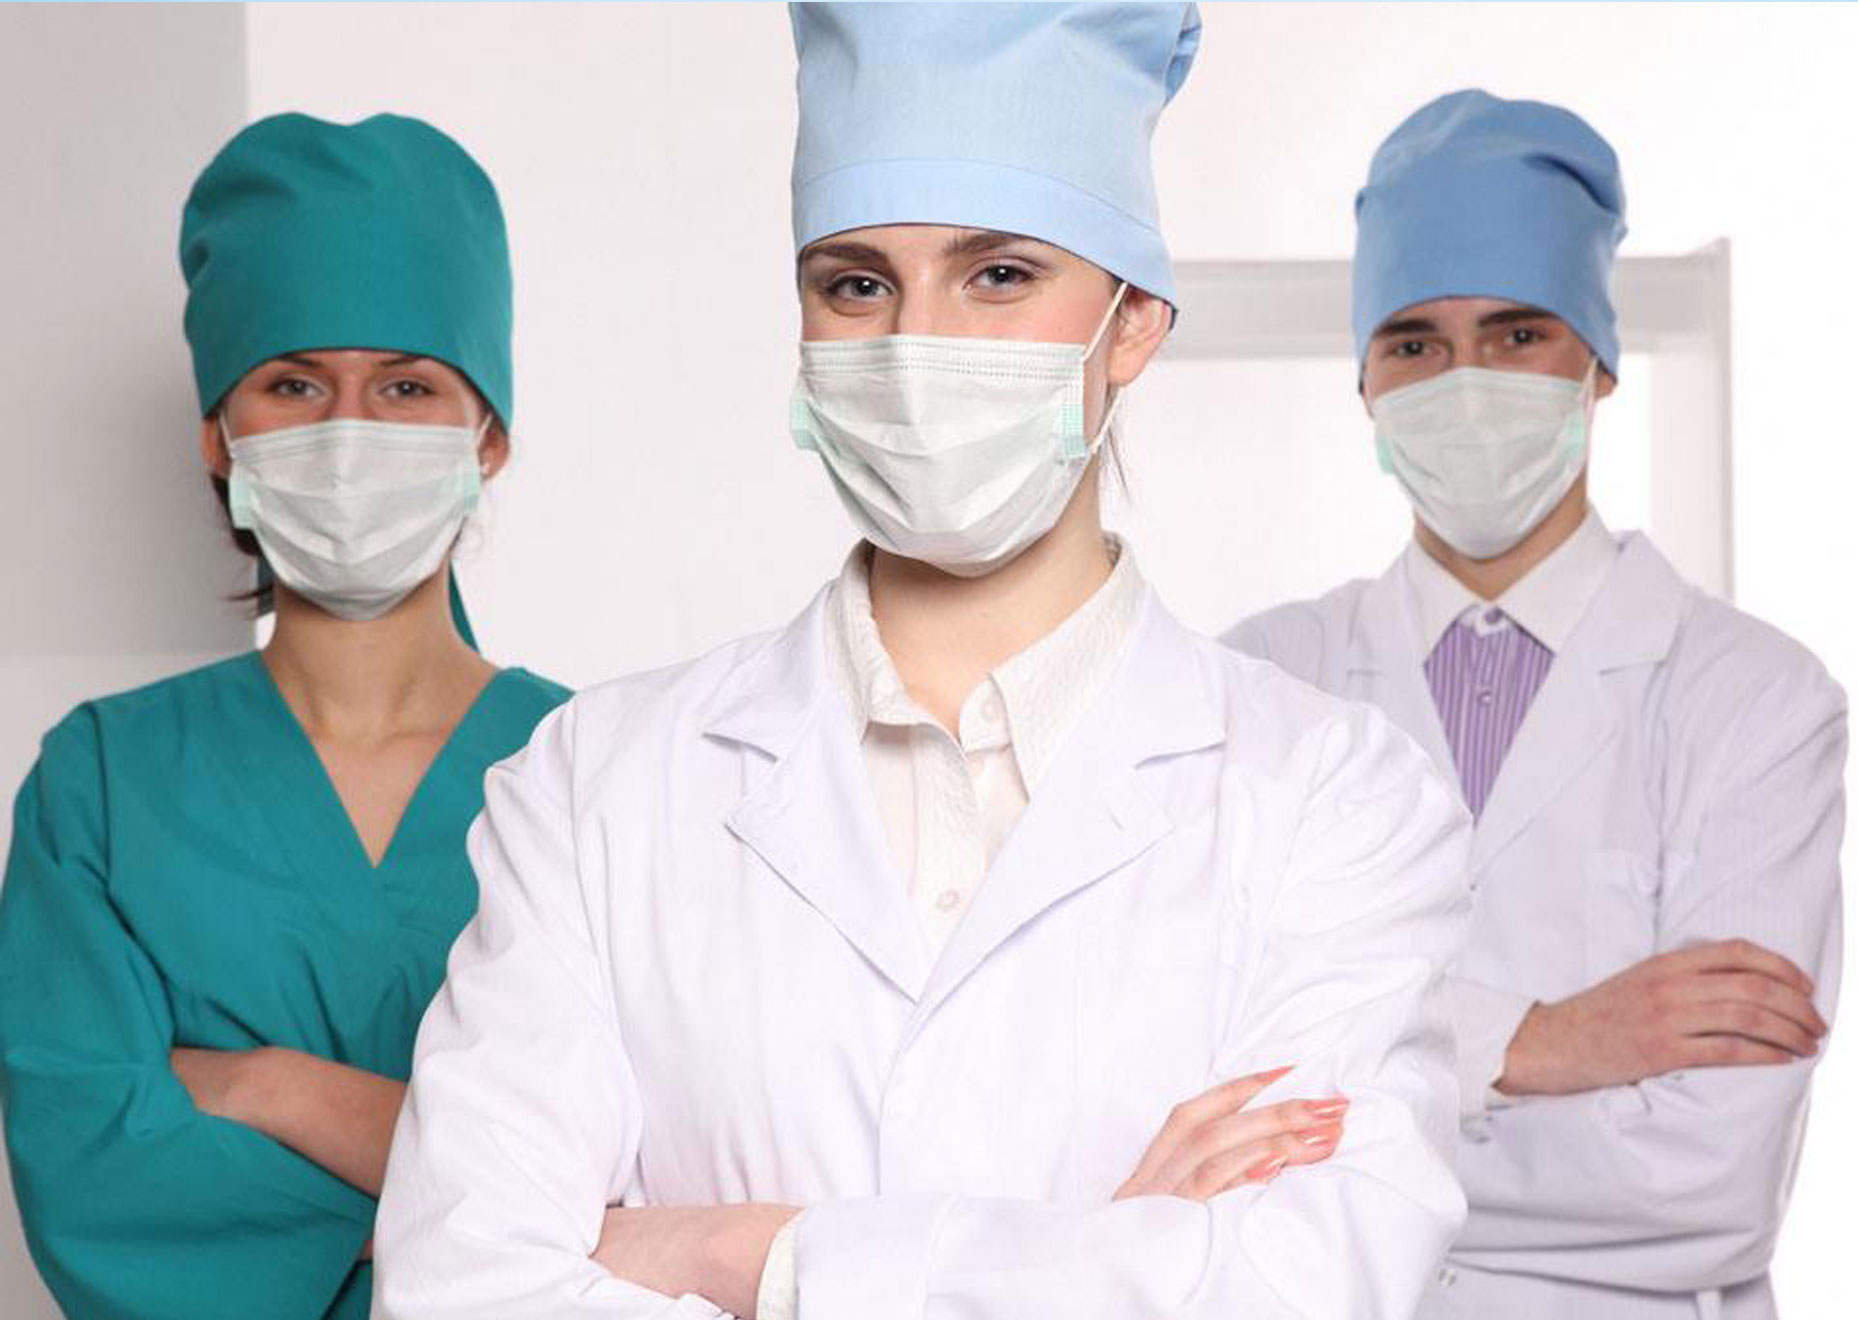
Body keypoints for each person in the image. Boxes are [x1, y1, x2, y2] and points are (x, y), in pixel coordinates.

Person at [375, 7, 1472, 1318]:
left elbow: (1299, 1292)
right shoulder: (595, 783)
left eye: (997, 274)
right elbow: (458, 1289)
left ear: (1130, 324)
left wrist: (748, 1258)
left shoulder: (1334, 800)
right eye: (856, 284)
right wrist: (1107, 1254)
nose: (914, 345)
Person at [1228, 89, 1846, 1320]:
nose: (1465, 383)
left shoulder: (1755, 699)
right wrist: (1535, 1041)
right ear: (1364, 382)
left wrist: (1354, 1122)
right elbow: (1176, 1079)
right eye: (1413, 343)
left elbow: (1709, 1184)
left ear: (1597, 365)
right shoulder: (1261, 681)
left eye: (1517, 335)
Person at [0, 113, 569, 1320]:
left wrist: (272, 1088)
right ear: (221, 435)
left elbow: (645, 1175)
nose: (347, 431)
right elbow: (93, 1177)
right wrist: (488, 1189)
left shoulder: (594, 769)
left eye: (406, 386)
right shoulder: (102, 784)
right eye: (294, 384)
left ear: (488, 440)